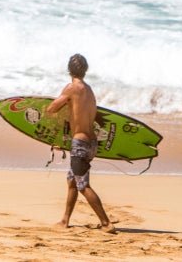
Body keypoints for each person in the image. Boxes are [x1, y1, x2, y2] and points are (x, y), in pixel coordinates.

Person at [46, 54, 114, 232]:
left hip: (80, 144)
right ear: (86, 70)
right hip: (91, 143)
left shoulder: (71, 88)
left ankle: (106, 223)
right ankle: (65, 221)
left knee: (83, 185)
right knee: (72, 181)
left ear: (69, 69)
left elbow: (52, 108)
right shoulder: (89, 90)